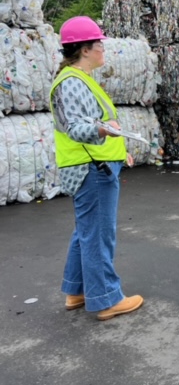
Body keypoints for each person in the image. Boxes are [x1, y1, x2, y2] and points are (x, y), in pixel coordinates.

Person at [50, 16, 144, 320]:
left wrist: (120, 149)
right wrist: (108, 131)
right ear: (85, 49)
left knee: (86, 232)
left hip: (96, 164)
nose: (103, 47)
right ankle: (105, 299)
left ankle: (76, 290)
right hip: (93, 169)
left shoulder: (78, 79)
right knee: (99, 234)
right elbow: (78, 127)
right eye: (99, 43)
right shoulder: (73, 82)